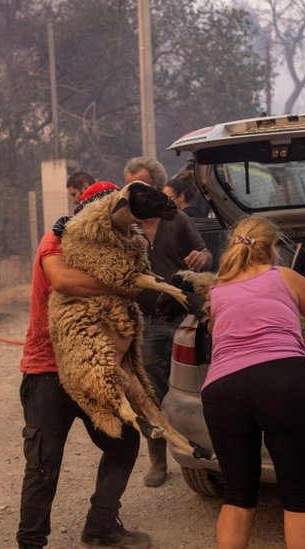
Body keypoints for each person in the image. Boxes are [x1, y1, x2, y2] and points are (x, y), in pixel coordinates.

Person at [204, 216, 305, 549]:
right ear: (273, 248)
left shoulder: (218, 290)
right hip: (283, 383)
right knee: (299, 498)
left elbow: (215, 332)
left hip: (222, 390)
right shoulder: (285, 277)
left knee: (236, 496)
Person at [17, 182, 150, 549]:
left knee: (124, 444)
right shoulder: (56, 240)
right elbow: (61, 278)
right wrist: (125, 284)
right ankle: (30, 543)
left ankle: (101, 526)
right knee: (44, 463)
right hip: (47, 370)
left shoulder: (114, 249)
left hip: (92, 369)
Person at [123, 156, 211, 487]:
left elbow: (204, 253)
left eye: (141, 185)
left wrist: (202, 257)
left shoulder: (178, 220)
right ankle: (157, 460)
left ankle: (199, 452)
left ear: (159, 187)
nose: (135, 192)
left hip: (182, 318)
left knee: (194, 388)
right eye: (130, 185)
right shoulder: (125, 225)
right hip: (145, 323)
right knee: (150, 392)